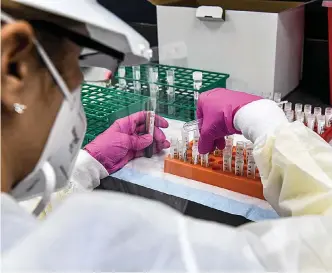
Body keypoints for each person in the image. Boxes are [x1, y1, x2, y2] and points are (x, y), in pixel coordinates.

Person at [1, 0, 332, 271]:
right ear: (14, 67)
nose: (81, 84)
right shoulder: (106, 250)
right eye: (79, 63)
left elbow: (26, 227)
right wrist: (268, 125)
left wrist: (88, 165)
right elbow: (314, 253)